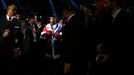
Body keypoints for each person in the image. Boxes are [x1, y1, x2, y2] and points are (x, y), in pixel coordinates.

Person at [94, 0, 134, 74]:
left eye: (106, 3)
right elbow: (114, 38)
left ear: (114, 3)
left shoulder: (127, 18)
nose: (104, 5)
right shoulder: (109, 18)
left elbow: (127, 45)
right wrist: (104, 45)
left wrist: (110, 55)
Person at [62, 3, 87, 75]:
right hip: (80, 58)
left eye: (63, 12)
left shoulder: (72, 22)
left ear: (65, 11)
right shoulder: (78, 20)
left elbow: (72, 43)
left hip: (73, 60)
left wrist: (68, 61)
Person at [0, 4, 23, 75]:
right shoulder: (1, 20)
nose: (14, 11)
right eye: (13, 9)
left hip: (13, 50)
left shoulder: (17, 22)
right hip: (2, 49)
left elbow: (20, 36)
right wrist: (2, 37)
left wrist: (18, 48)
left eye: (15, 10)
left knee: (12, 69)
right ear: (8, 10)